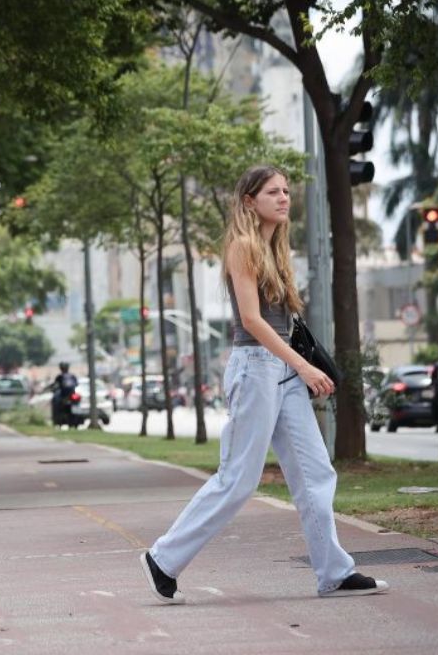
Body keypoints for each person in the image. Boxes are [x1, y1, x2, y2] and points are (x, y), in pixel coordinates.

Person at [140, 166, 388, 604]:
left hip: (282, 370)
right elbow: (252, 321)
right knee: (238, 479)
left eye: (286, 191)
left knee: (315, 472)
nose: (284, 198)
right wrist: (304, 367)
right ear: (249, 201)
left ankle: (333, 571)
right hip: (256, 367)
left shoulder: (276, 248)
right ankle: (163, 558)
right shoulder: (242, 247)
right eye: (273, 191)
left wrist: (297, 366)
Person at [50, 362, 79, 428]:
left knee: (55, 401)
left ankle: (56, 420)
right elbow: (77, 384)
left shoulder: (60, 376)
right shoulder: (72, 376)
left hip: (64, 396)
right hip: (71, 395)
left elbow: (55, 385)